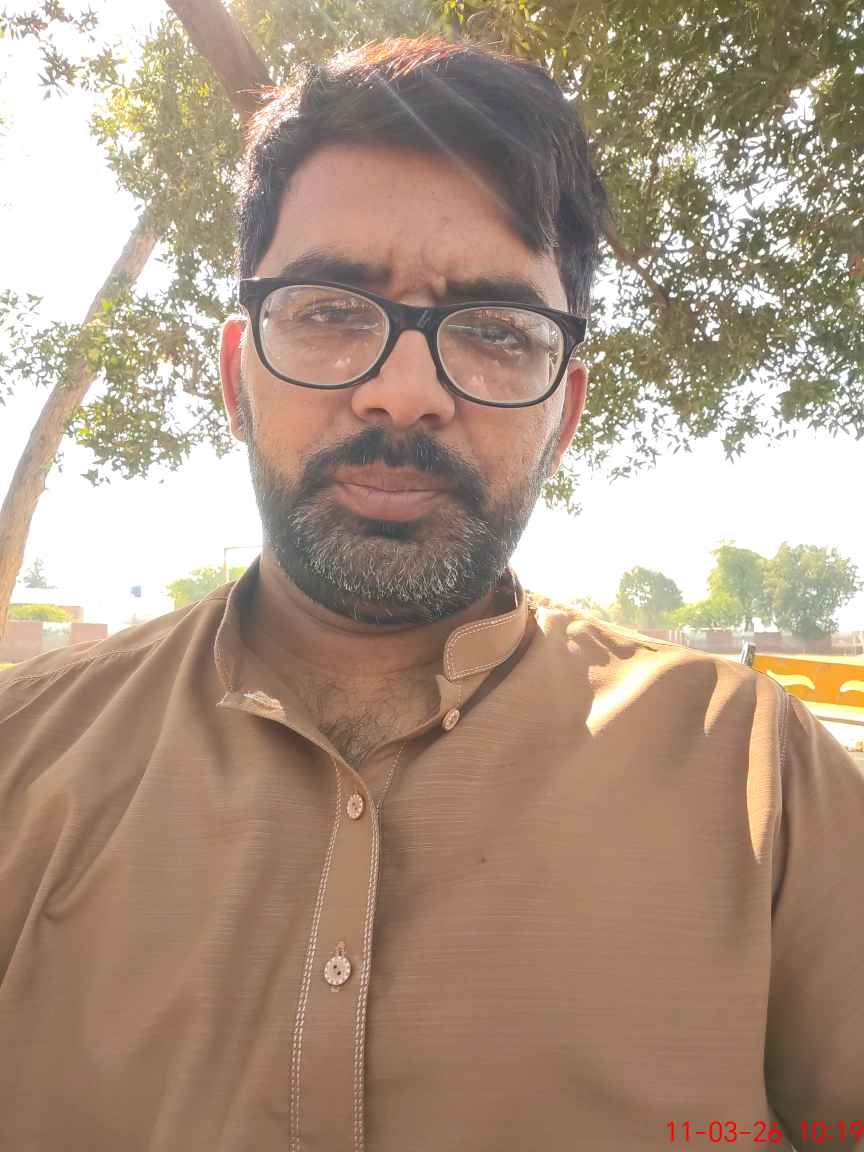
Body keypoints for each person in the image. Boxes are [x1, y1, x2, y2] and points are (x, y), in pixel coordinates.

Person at [0, 35, 862, 1152]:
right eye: (330, 310)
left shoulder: (754, 773)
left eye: (496, 332)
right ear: (234, 376)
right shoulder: (23, 759)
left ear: (564, 412)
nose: (404, 394)